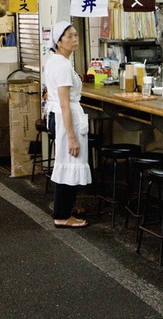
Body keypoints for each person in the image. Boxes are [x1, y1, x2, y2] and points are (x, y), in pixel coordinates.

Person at [43, 21, 92, 228]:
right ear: (59, 41)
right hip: (65, 118)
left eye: (75, 35)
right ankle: (62, 216)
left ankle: (65, 207)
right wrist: (71, 136)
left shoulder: (56, 60)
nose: (75, 39)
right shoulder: (62, 65)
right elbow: (65, 103)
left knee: (66, 162)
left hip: (59, 116)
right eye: (69, 36)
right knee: (68, 163)